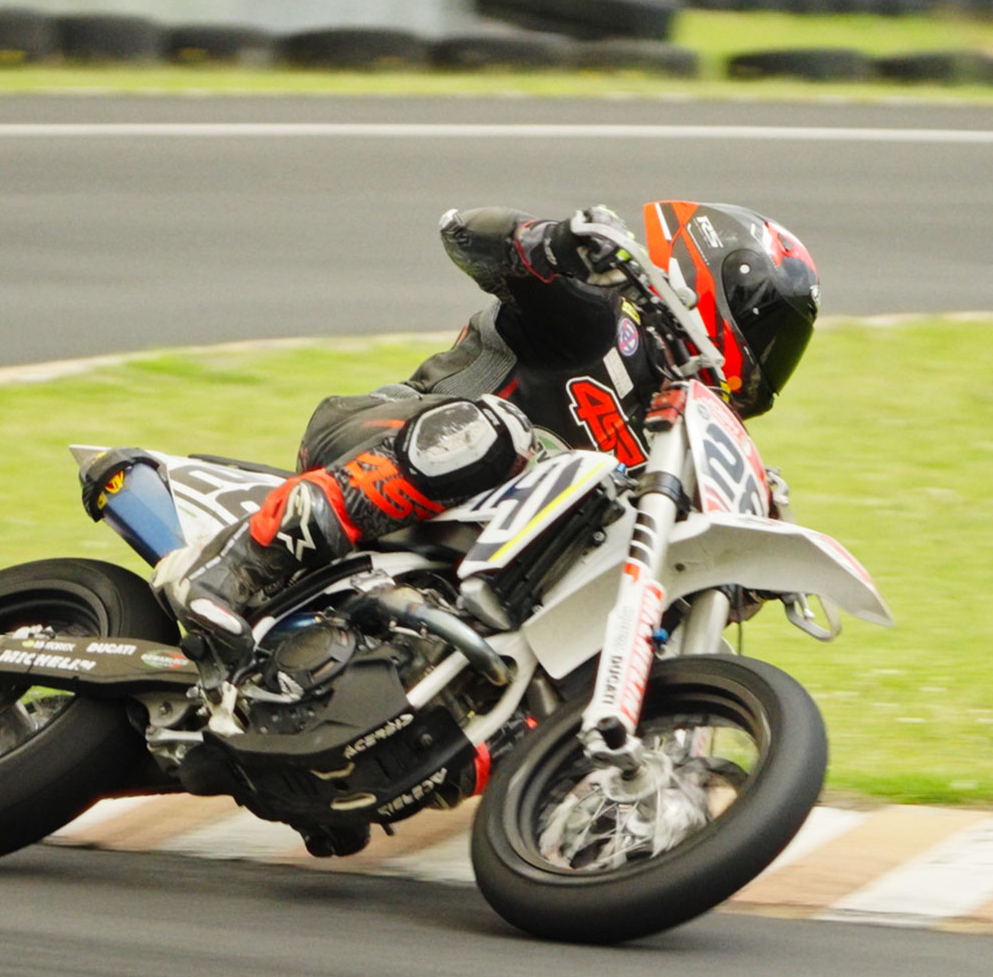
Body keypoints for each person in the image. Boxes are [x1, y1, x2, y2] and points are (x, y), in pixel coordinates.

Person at [151, 200, 821, 667]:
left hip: (474, 565)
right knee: (510, 436)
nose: (771, 357)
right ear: (716, 284)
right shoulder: (601, 314)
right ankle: (236, 566)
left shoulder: (674, 435)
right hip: (390, 437)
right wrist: (554, 241)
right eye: (769, 326)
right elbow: (463, 233)